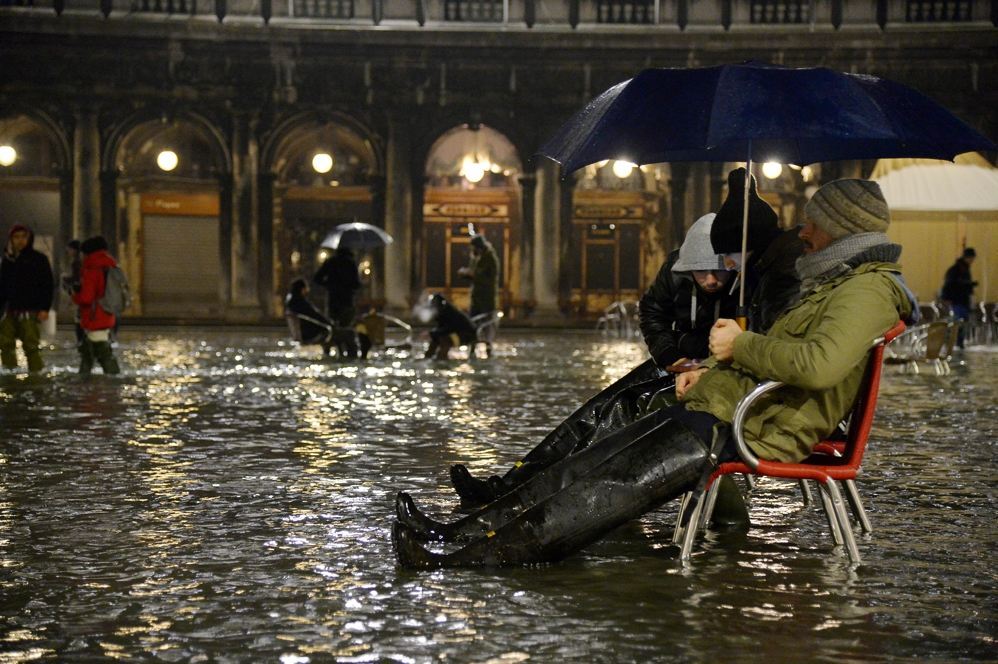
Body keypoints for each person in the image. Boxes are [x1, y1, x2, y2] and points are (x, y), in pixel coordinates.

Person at [392, 178, 916, 568]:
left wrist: (739, 343)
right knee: (587, 465)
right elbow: (782, 350)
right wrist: (709, 370)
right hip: (724, 410)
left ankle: (464, 560)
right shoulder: (837, 284)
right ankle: (454, 534)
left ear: (840, 228)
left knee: (605, 487)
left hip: (747, 429)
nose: (802, 232)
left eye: (812, 222)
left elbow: (819, 366)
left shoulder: (866, 290)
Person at [448, 213, 740, 507]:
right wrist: (670, 356)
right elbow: (652, 311)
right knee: (591, 414)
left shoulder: (743, 283)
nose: (711, 280)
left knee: (618, 413)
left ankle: (531, 499)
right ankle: (507, 485)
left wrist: (705, 366)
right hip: (675, 362)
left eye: (718, 272)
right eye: (701, 272)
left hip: (708, 375)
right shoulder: (677, 268)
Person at [709, 167, 804, 332]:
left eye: (730, 253)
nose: (727, 264)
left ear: (753, 241)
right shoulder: (760, 269)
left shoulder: (786, 272)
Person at [0, 224, 54, 373]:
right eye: (16, 237)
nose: (20, 241)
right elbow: (3, 286)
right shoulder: (8, 260)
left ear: (29, 238)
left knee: (31, 345)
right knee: (5, 344)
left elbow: (48, 284)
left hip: (30, 310)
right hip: (9, 310)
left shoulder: (39, 259)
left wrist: (44, 308)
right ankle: (10, 372)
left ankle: (36, 373)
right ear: (11, 239)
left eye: (24, 237)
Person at [72, 236, 121, 375]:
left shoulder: (92, 269)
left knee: (102, 352)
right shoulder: (110, 266)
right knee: (88, 350)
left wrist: (75, 295)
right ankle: (83, 375)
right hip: (107, 314)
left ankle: (114, 377)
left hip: (94, 316)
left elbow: (86, 298)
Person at [313, 245, 361, 357]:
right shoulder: (351, 263)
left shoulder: (330, 262)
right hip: (347, 300)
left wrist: (329, 285)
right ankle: (348, 352)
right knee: (345, 326)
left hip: (333, 300)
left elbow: (317, 278)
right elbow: (356, 284)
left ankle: (338, 350)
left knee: (335, 326)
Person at [284, 278, 335, 355]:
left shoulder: (291, 302)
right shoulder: (300, 302)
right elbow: (315, 315)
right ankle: (329, 354)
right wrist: (330, 323)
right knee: (330, 331)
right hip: (308, 333)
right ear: (302, 289)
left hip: (303, 332)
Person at [940, 247, 977, 348]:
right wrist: (969, 285)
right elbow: (950, 284)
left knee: (960, 322)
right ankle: (955, 342)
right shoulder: (958, 269)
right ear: (968, 258)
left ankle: (957, 342)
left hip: (960, 300)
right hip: (957, 300)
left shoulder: (963, 269)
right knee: (958, 322)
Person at [424, 293, 477, 360]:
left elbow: (449, 329)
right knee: (436, 338)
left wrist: (431, 333)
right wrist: (432, 334)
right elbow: (441, 328)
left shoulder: (450, 313)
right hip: (457, 333)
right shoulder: (441, 312)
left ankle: (441, 359)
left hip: (466, 335)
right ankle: (428, 357)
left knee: (445, 339)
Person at [458, 234, 499, 318]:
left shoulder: (489, 258)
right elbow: (474, 273)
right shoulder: (476, 258)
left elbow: (484, 276)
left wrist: (470, 273)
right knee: (474, 321)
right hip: (477, 296)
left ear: (479, 247)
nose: (472, 249)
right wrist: (465, 274)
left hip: (486, 297)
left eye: (473, 247)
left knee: (484, 321)